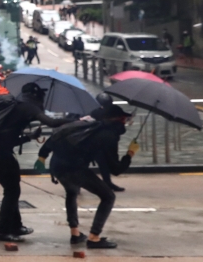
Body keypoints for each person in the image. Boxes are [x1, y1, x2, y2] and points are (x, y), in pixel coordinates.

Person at [35, 95, 138, 249]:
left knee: (72, 192)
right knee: (108, 196)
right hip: (74, 168)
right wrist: (130, 153)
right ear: (117, 120)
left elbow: (58, 135)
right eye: (124, 119)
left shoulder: (85, 124)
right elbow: (116, 169)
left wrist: (42, 156)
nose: (125, 123)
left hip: (57, 164)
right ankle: (94, 237)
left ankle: (75, 234)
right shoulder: (109, 135)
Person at [0, 83, 67, 242]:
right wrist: (76, 119)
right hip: (1, 155)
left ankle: (16, 226)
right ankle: (2, 231)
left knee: (12, 189)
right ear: (36, 95)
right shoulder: (30, 107)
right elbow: (52, 123)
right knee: (12, 191)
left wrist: (30, 136)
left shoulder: (16, 106)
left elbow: (8, 138)